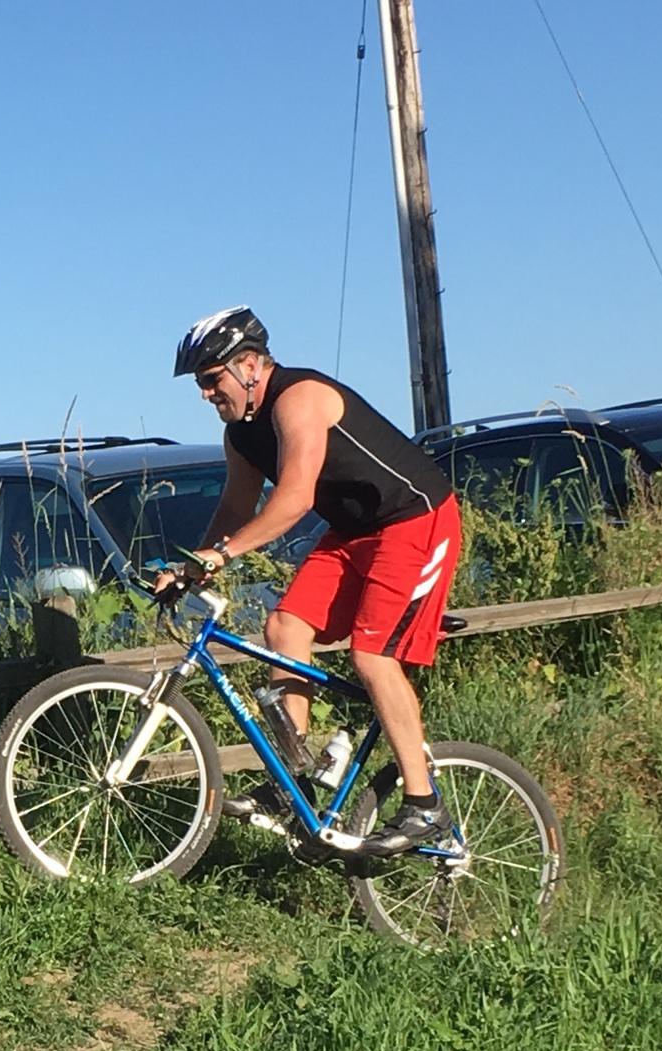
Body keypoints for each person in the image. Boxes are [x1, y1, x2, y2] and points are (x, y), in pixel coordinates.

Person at [157, 305, 462, 857]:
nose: (205, 393)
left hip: (415, 520)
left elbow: (295, 499)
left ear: (250, 365)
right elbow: (235, 507)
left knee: (372, 656)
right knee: (284, 627)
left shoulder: (300, 398)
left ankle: (424, 805)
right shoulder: (241, 434)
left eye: (211, 378)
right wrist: (191, 565)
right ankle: (292, 780)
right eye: (200, 383)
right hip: (353, 532)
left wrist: (224, 554)